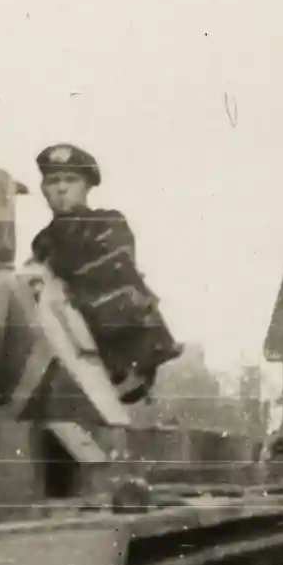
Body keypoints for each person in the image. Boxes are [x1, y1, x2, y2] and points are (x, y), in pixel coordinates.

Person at [29, 143, 181, 395]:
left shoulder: (108, 222)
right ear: (44, 189)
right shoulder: (42, 242)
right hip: (70, 345)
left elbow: (108, 267)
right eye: (53, 181)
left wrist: (56, 272)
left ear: (86, 187)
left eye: (71, 179)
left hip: (119, 348)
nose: (62, 188)